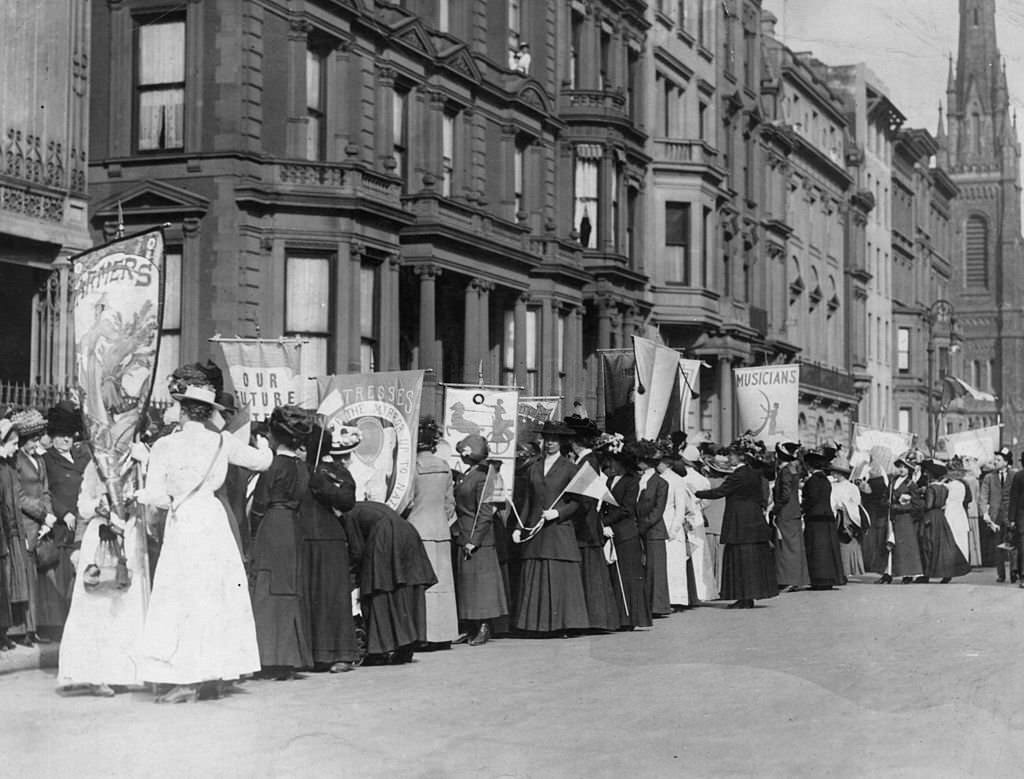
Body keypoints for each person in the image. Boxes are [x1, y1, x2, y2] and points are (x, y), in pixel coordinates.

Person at [135, 374, 273, 703]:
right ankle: (214, 673)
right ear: (206, 411)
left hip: (184, 523)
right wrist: (265, 444)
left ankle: (186, 677)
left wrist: (146, 491)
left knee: (182, 596)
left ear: (183, 411)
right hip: (213, 523)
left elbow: (155, 496)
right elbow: (261, 462)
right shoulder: (222, 442)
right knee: (215, 595)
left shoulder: (166, 445)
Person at [56, 459, 151, 696]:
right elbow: (83, 505)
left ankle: (120, 672)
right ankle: (94, 673)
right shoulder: (96, 465)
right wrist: (100, 505)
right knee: (98, 604)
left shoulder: (139, 460)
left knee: (124, 606)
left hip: (129, 536)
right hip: (102, 536)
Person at [249, 405, 315, 679]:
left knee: (267, 589)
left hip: (272, 527)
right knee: (288, 590)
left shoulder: (273, 466)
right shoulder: (302, 468)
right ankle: (288, 656)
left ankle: (269, 658)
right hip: (292, 528)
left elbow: (260, 504)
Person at [514, 420, 589, 635]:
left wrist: (558, 513)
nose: (550, 443)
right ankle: (535, 625)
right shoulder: (534, 467)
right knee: (536, 572)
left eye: (555, 440)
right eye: (547, 439)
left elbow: (579, 501)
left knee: (560, 574)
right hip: (536, 530)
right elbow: (529, 500)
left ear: (562, 442)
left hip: (558, 529)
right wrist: (520, 527)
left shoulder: (570, 468)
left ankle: (564, 624)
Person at [300, 421, 363, 673]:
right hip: (305, 538)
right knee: (313, 597)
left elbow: (347, 501)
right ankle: (316, 654)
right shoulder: (300, 469)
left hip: (329, 539)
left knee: (333, 598)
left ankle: (343, 655)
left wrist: (321, 484)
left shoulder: (336, 472)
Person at [348, 501, 437, 665]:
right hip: (408, 531)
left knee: (379, 592)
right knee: (407, 588)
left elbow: (357, 551)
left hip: (385, 534)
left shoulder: (348, 514)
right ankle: (406, 645)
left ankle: (379, 650)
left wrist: (353, 579)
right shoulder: (362, 507)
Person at [695, 439, 777, 609]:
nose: (728, 459)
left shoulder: (737, 475)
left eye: (731, 455)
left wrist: (696, 493)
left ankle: (743, 596)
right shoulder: (754, 473)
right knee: (753, 559)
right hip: (754, 519)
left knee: (739, 559)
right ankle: (750, 595)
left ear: (741, 457)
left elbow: (719, 492)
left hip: (739, 520)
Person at [12, 408, 68, 636]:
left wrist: (49, 516)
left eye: (38, 439)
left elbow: (45, 491)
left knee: (43, 577)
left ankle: (42, 626)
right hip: (27, 523)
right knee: (27, 577)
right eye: (33, 440)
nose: (37, 444)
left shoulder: (39, 461)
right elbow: (19, 496)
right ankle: (26, 629)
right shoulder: (17, 460)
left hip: (43, 525)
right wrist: (42, 515)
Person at [405, 418, 459, 647]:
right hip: (441, 529)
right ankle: (443, 634)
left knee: (422, 584)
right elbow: (450, 504)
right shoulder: (445, 466)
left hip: (418, 528)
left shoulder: (412, 469)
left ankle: (424, 635)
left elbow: (407, 501)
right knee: (443, 584)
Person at [451, 435, 508, 646]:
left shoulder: (484, 476)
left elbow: (485, 512)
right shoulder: (470, 474)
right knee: (467, 584)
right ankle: (470, 627)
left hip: (477, 538)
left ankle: (484, 626)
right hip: (464, 534)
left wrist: (475, 540)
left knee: (481, 585)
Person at [565, 416, 619, 631]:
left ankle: (596, 619)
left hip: (585, 523)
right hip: (587, 521)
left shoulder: (587, 461)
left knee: (590, 571)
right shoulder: (588, 460)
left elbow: (583, 497)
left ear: (576, 442)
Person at [601, 440, 652, 629]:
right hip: (611, 532)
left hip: (625, 532)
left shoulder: (632, 482)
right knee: (616, 576)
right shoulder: (607, 480)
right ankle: (619, 618)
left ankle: (634, 618)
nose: (611, 465)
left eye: (614, 462)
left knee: (630, 577)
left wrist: (605, 522)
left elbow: (627, 509)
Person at [655, 443, 696, 610]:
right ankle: (666, 599)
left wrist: (674, 529)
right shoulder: (658, 479)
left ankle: (678, 599)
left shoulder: (677, 481)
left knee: (675, 565)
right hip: (660, 523)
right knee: (665, 565)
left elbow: (681, 508)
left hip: (672, 524)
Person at [634, 441, 671, 617]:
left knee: (655, 568)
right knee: (643, 567)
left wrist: (642, 525)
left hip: (653, 530)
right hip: (639, 527)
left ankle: (658, 605)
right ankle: (645, 604)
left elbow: (658, 510)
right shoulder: (638, 480)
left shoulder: (660, 483)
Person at [919, 460, 971, 583]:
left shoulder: (945, 486)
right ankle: (948, 570)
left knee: (935, 543)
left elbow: (933, 503)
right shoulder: (957, 485)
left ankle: (934, 571)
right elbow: (968, 499)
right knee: (949, 544)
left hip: (945, 513)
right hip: (954, 513)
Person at [678, 445, 719, 602]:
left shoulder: (682, 478)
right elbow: (707, 502)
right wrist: (697, 507)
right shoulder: (702, 479)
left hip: (687, 516)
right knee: (701, 554)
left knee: (688, 553)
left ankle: (691, 591)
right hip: (697, 518)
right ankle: (705, 590)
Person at [801, 448, 846, 590]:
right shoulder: (825, 481)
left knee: (817, 550)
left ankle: (819, 579)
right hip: (827, 518)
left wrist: (803, 508)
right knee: (828, 549)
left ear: (810, 465)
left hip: (815, 518)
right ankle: (829, 578)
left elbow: (811, 499)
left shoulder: (812, 481)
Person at [0, 419, 26, 649]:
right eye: (14, 443)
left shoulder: (7, 467)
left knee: (4, 587)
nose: (16, 448)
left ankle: (2, 633)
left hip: (6, 535)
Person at [772, 441, 809, 592]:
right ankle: (796, 578)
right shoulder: (795, 470)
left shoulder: (785, 471)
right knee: (795, 547)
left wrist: (776, 508)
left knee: (786, 547)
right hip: (794, 511)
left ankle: (787, 579)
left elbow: (785, 494)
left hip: (785, 512)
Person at [980, 446, 1015, 582]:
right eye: (995, 459)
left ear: (1006, 462)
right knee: (998, 546)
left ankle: (1014, 572)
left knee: (1013, 545)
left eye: (998, 459)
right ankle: (1001, 574)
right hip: (995, 517)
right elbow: (983, 496)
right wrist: (985, 513)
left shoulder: (1014, 475)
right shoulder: (989, 477)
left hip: (1010, 515)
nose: (995, 462)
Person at [889, 452, 924, 584]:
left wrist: (900, 508)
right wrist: (888, 504)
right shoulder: (893, 482)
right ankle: (895, 572)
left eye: (904, 467)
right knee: (896, 545)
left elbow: (917, 505)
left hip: (905, 518)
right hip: (894, 517)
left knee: (907, 546)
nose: (902, 470)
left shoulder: (911, 484)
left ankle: (909, 573)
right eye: (900, 467)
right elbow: (886, 497)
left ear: (909, 470)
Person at [830, 455, 868, 578]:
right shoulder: (832, 485)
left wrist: (844, 507)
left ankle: (848, 570)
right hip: (835, 516)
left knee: (846, 544)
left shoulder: (851, 487)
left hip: (846, 518)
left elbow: (856, 503)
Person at [858, 446, 893, 579]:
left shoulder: (874, 474)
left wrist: (863, 487)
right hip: (879, 510)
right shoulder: (885, 476)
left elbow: (870, 493)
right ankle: (875, 563)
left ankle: (871, 563)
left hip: (873, 510)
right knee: (877, 537)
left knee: (871, 537)